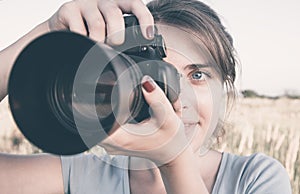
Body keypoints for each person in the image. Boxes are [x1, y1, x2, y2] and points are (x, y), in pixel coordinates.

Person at [0, 0, 292, 193]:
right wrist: (43, 34)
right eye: (153, 73)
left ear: (225, 90)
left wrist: (174, 159)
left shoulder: (254, 178)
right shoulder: (85, 172)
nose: (174, 99)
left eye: (197, 75)